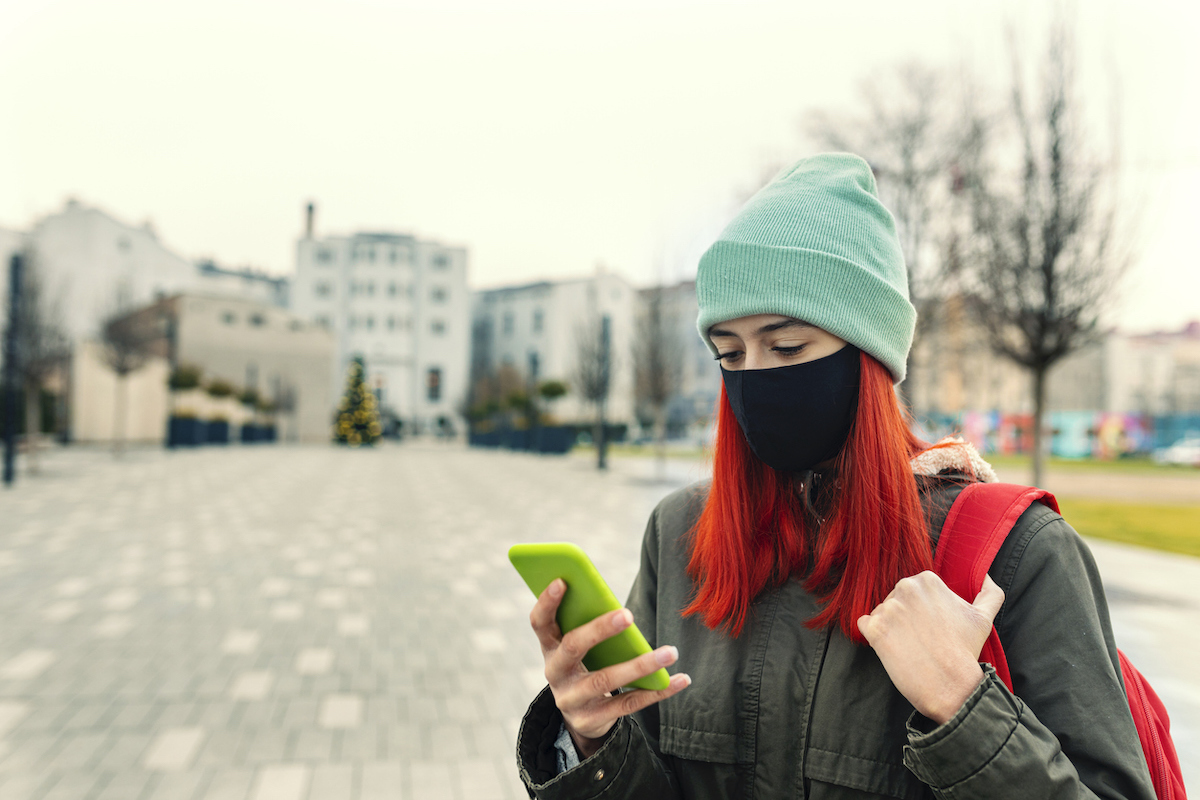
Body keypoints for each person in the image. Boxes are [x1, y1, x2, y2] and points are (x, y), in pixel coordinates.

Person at [515, 153, 1157, 799]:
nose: (756, 375)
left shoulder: (1019, 553)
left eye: (787, 346)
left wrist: (966, 708)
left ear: (869, 355)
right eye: (730, 353)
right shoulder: (681, 535)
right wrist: (595, 742)